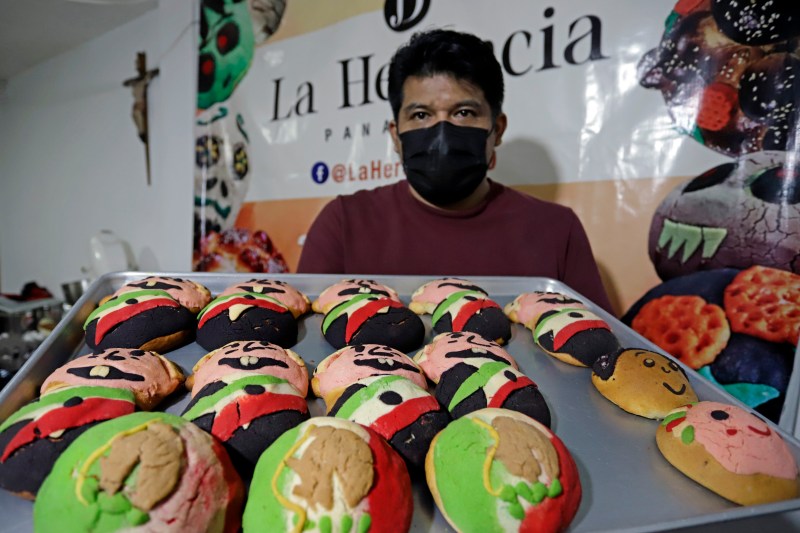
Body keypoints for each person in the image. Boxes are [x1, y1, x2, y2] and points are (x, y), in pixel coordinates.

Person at [297, 28, 614, 313]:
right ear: (396, 135)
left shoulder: (557, 230)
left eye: (463, 112)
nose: (441, 133)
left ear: (497, 129)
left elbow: (600, 350)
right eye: (421, 114)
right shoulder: (343, 223)